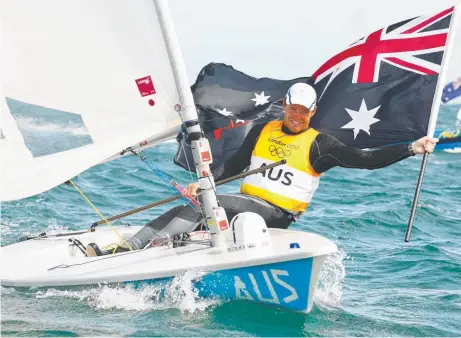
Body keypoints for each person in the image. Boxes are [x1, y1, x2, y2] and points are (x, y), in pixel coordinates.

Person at [85, 83, 438, 256]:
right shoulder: (266, 129)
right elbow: (236, 166)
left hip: (278, 214)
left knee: (206, 203)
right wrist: (204, 181)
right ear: (285, 106)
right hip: (242, 205)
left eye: (303, 111)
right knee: (194, 203)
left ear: (312, 112)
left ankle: (130, 251)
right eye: (292, 108)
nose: (296, 115)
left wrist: (411, 148)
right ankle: (132, 248)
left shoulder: (321, 144)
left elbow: (365, 160)